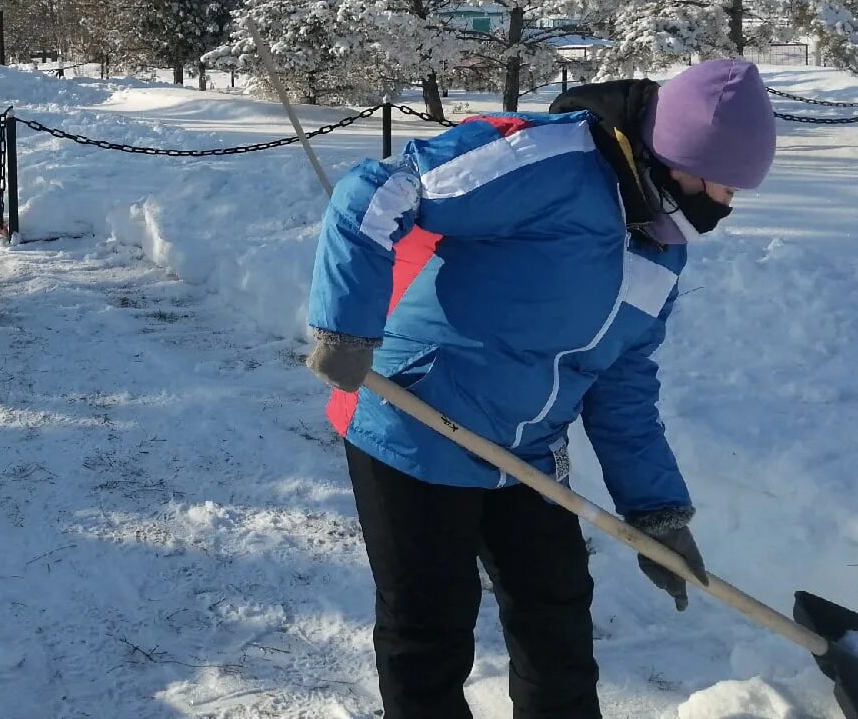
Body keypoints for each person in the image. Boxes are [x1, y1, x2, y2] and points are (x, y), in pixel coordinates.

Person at [304, 59, 778, 719]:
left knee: (556, 620)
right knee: (430, 630)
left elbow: (622, 385)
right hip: (416, 423)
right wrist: (348, 325)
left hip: (525, 454)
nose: (724, 203)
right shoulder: (549, 161)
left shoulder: (661, 248)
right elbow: (380, 190)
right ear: (676, 157)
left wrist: (657, 514)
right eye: (721, 183)